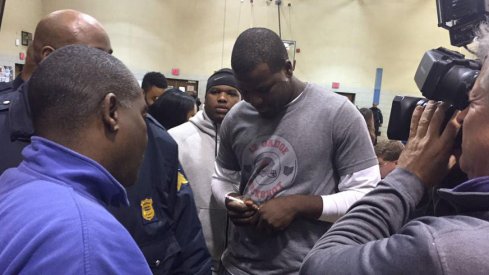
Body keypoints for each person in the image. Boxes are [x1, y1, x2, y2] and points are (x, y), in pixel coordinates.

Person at [300, 24, 489, 275]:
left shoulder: (444, 250)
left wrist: (408, 177)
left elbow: (318, 266)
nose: (461, 116)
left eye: (472, 101)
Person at [211, 28, 380, 274]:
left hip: (305, 268)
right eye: (246, 92)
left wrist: (298, 205)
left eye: (265, 89)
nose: (255, 101)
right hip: (238, 266)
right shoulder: (236, 117)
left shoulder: (338, 114)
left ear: (289, 68)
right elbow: (221, 178)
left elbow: (366, 195)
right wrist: (231, 199)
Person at [0, 45, 151, 274]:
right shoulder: (86, 239)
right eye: (143, 115)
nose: (146, 132)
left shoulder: (14, 183)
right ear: (112, 112)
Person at [0, 9, 112, 174]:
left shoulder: (106, 125)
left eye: (109, 58)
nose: (109, 68)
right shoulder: (6, 122)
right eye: (96, 56)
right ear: (49, 57)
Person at [168, 68, 242, 273]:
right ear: (204, 96)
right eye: (215, 91)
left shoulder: (251, 140)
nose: (222, 98)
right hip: (191, 257)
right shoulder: (176, 139)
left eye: (231, 93)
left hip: (239, 259)